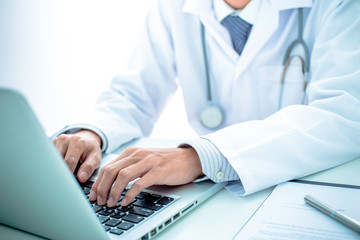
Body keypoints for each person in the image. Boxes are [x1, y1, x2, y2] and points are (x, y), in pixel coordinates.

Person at [53, 0, 360, 208]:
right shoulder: (174, 6)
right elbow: (133, 94)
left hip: (305, 195)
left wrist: (199, 158)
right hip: (216, 197)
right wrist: (90, 133)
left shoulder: (338, 5)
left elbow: (344, 111)